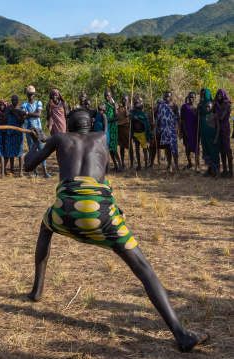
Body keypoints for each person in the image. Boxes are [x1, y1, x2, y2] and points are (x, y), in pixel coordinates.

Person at [22, 108, 209, 353]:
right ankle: (181, 333)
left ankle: (37, 290)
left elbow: (27, 166)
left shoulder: (60, 138)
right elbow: (100, 178)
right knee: (144, 269)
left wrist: (38, 141)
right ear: (90, 126)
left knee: (45, 228)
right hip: (101, 214)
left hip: (66, 211)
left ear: (68, 126)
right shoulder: (101, 137)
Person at [21, 86, 51, 178]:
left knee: (41, 149)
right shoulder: (24, 104)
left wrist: (27, 113)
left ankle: (45, 172)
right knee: (31, 149)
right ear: (27, 95)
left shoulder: (38, 103)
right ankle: (34, 172)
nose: (31, 96)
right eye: (29, 95)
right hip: (28, 130)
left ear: (34, 95)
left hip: (38, 129)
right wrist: (35, 114)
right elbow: (24, 116)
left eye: (32, 95)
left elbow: (38, 114)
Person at [157, 91, 180, 173]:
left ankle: (176, 166)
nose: (167, 98)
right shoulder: (161, 106)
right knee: (167, 148)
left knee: (174, 147)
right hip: (164, 129)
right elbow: (159, 118)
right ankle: (169, 165)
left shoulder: (174, 106)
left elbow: (178, 118)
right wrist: (155, 123)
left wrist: (179, 130)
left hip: (172, 130)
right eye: (165, 96)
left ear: (171, 97)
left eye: (168, 97)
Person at [4, 95, 25, 177]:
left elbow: (22, 121)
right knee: (10, 151)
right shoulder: (8, 108)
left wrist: (14, 112)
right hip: (10, 132)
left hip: (18, 132)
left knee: (20, 151)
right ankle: (11, 169)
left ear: (18, 100)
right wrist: (8, 113)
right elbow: (4, 121)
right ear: (11, 100)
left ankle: (21, 171)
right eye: (13, 100)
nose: (14, 102)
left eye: (16, 100)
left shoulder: (20, 109)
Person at [214, 89, 233, 177]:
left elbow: (221, 118)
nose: (219, 96)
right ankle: (224, 170)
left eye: (221, 94)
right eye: (218, 94)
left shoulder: (227, 104)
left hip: (224, 128)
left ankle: (230, 171)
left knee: (227, 149)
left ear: (224, 95)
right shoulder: (217, 104)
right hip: (218, 128)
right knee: (222, 150)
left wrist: (214, 116)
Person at [201, 101, 221, 178]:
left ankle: (218, 172)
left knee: (214, 154)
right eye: (206, 107)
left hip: (213, 138)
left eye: (208, 107)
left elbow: (218, 127)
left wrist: (216, 139)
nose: (207, 108)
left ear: (212, 108)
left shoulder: (215, 116)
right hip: (206, 139)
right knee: (208, 154)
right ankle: (212, 171)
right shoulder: (204, 116)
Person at [180, 93, 200, 171]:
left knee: (196, 148)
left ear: (195, 98)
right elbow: (183, 120)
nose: (191, 99)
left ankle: (197, 166)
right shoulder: (185, 107)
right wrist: (184, 131)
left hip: (196, 130)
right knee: (187, 148)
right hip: (187, 130)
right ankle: (190, 163)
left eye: (193, 97)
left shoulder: (198, 106)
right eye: (190, 97)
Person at [104, 91, 121, 171]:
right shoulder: (104, 104)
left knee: (113, 148)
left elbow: (117, 117)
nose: (107, 97)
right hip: (107, 127)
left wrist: (108, 120)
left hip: (113, 127)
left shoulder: (114, 105)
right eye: (105, 96)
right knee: (110, 148)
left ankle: (120, 165)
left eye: (108, 96)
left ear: (111, 95)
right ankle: (115, 165)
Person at [130, 100, 150, 169]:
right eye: (136, 103)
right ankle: (139, 165)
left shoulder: (142, 113)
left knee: (144, 150)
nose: (137, 104)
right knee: (137, 150)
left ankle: (146, 165)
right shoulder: (133, 113)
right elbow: (130, 121)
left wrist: (138, 120)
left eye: (138, 103)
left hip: (142, 134)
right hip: (136, 134)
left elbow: (145, 124)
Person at [117, 95, 131, 170]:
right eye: (123, 100)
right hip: (120, 128)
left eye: (125, 100)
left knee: (130, 147)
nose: (124, 101)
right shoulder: (118, 108)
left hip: (127, 128)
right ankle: (122, 163)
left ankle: (131, 164)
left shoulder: (129, 107)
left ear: (128, 100)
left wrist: (126, 108)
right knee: (121, 147)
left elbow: (126, 114)